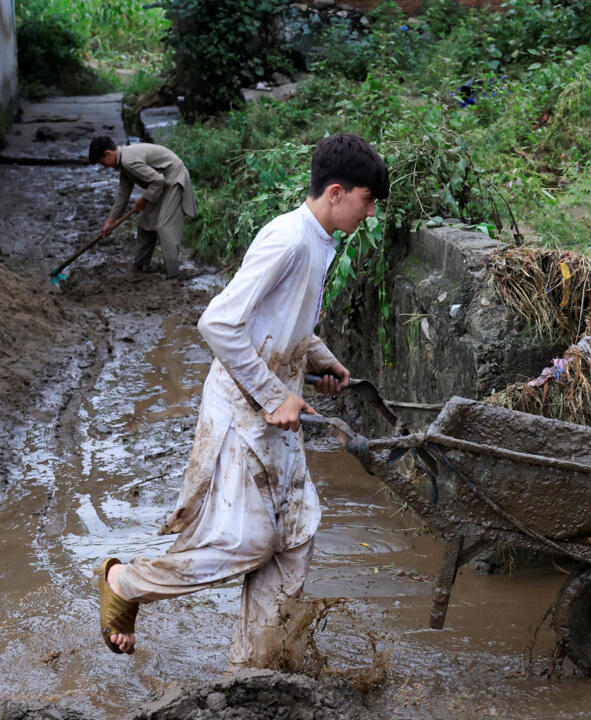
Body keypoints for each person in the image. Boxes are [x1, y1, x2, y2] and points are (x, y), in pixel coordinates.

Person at [95, 133, 389, 666]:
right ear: (338, 192)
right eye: (368, 201)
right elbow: (219, 323)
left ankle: (255, 664)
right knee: (249, 542)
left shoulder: (320, 241)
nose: (369, 213)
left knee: (297, 533)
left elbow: (279, 321)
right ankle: (125, 582)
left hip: (275, 409)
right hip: (242, 408)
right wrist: (277, 393)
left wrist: (318, 356)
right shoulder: (289, 240)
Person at [89, 137, 196, 278]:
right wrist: (110, 222)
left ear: (108, 153)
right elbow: (123, 195)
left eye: (103, 163)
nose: (106, 167)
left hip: (173, 178)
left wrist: (144, 199)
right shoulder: (124, 164)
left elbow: (158, 180)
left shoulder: (128, 160)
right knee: (145, 224)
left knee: (164, 225)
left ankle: (174, 273)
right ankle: (140, 266)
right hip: (161, 183)